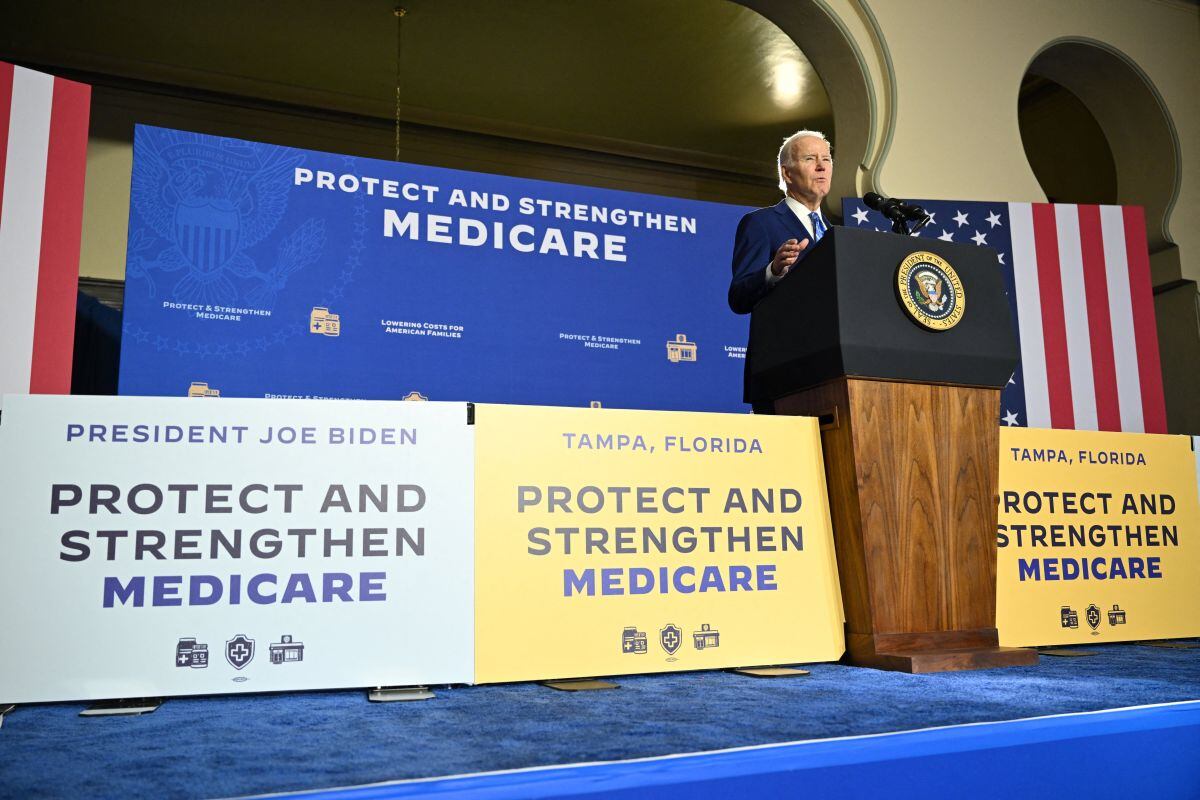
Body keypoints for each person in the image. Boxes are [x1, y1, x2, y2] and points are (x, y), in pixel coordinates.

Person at [728, 130, 833, 411]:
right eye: (811, 158)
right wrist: (772, 271)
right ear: (787, 174)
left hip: (833, 370)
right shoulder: (761, 224)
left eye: (826, 158)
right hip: (782, 373)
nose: (822, 166)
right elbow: (738, 296)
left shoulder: (837, 237)